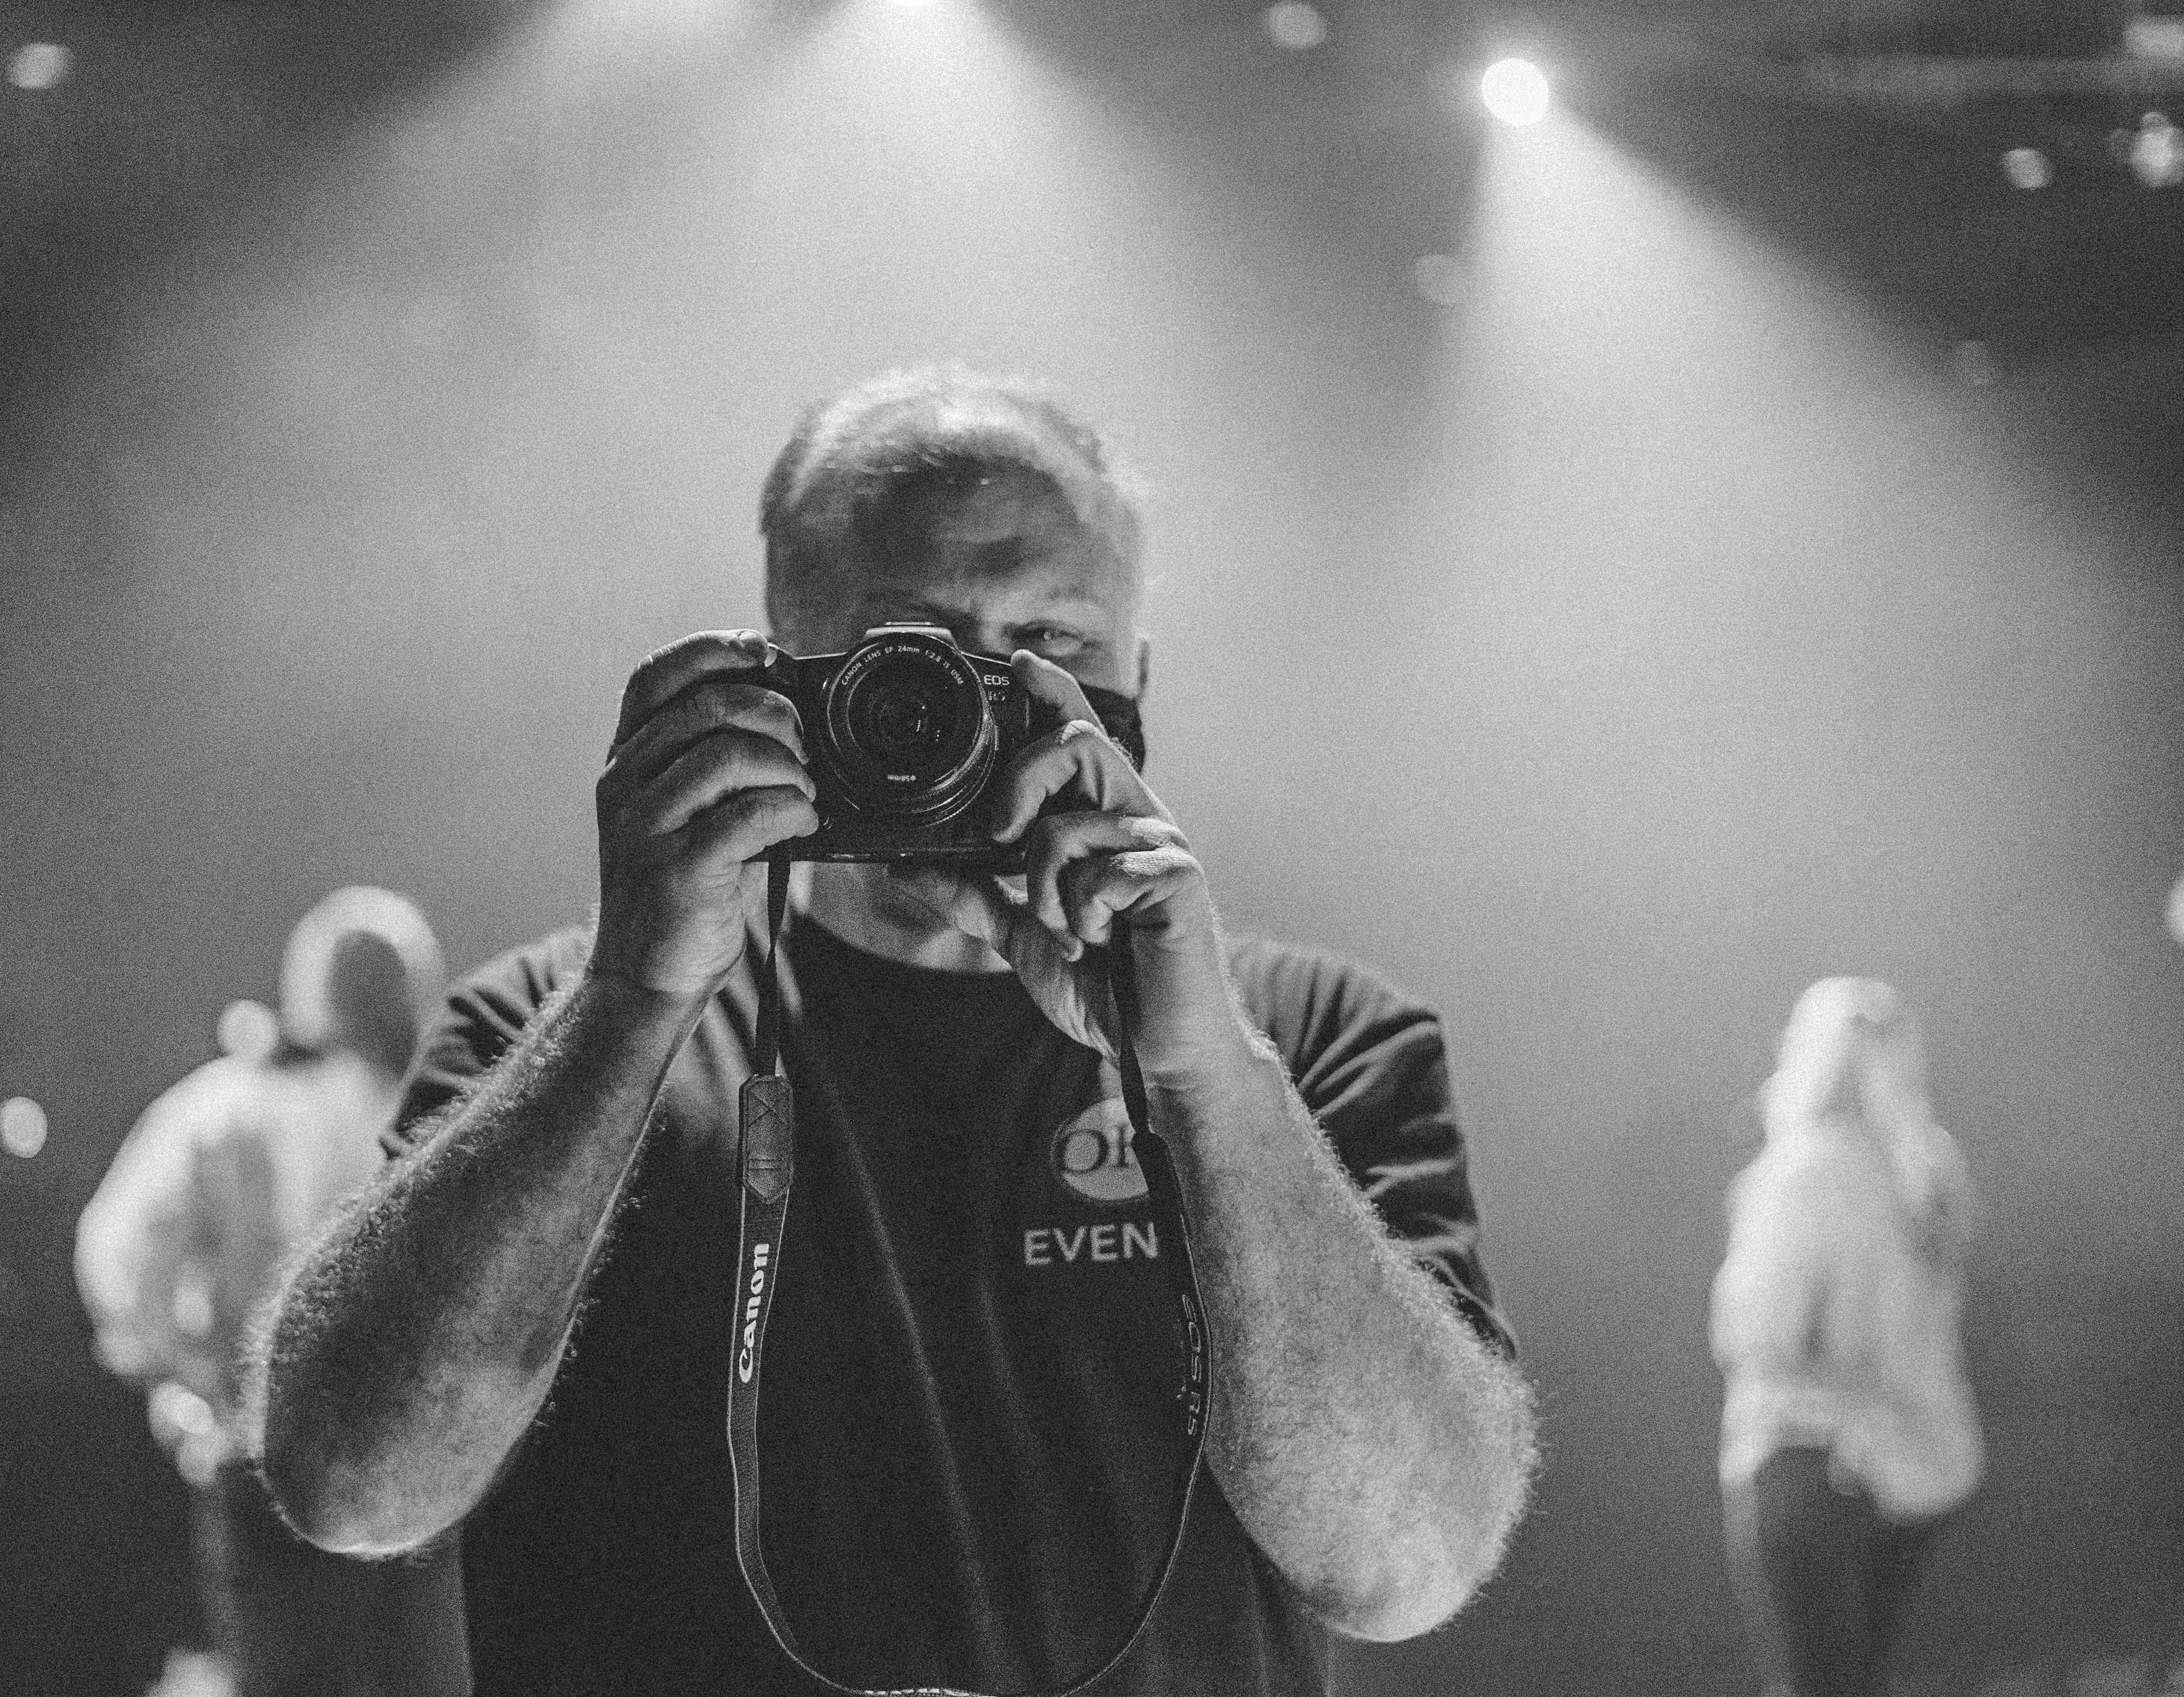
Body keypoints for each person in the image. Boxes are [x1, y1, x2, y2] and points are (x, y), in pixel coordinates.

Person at [256, 366, 1539, 1695]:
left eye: (1058, 650)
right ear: (782, 668)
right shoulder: (559, 1030)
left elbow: (1406, 1564)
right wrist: (632, 1003)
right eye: (919, 657)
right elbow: (355, 1486)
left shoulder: (1307, 1042)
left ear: (1136, 676)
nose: (992, 708)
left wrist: (1203, 1075)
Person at [76, 885, 471, 1697]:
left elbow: (116, 1256)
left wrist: (185, 1386)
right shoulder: (451, 1115)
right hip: (416, 1476)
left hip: (267, 1462)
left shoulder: (228, 1105)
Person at [1711, 976, 1984, 1697]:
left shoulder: (1803, 1170)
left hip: (1809, 1463)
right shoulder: (1929, 1176)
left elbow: (1751, 1336)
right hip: (1917, 1474)